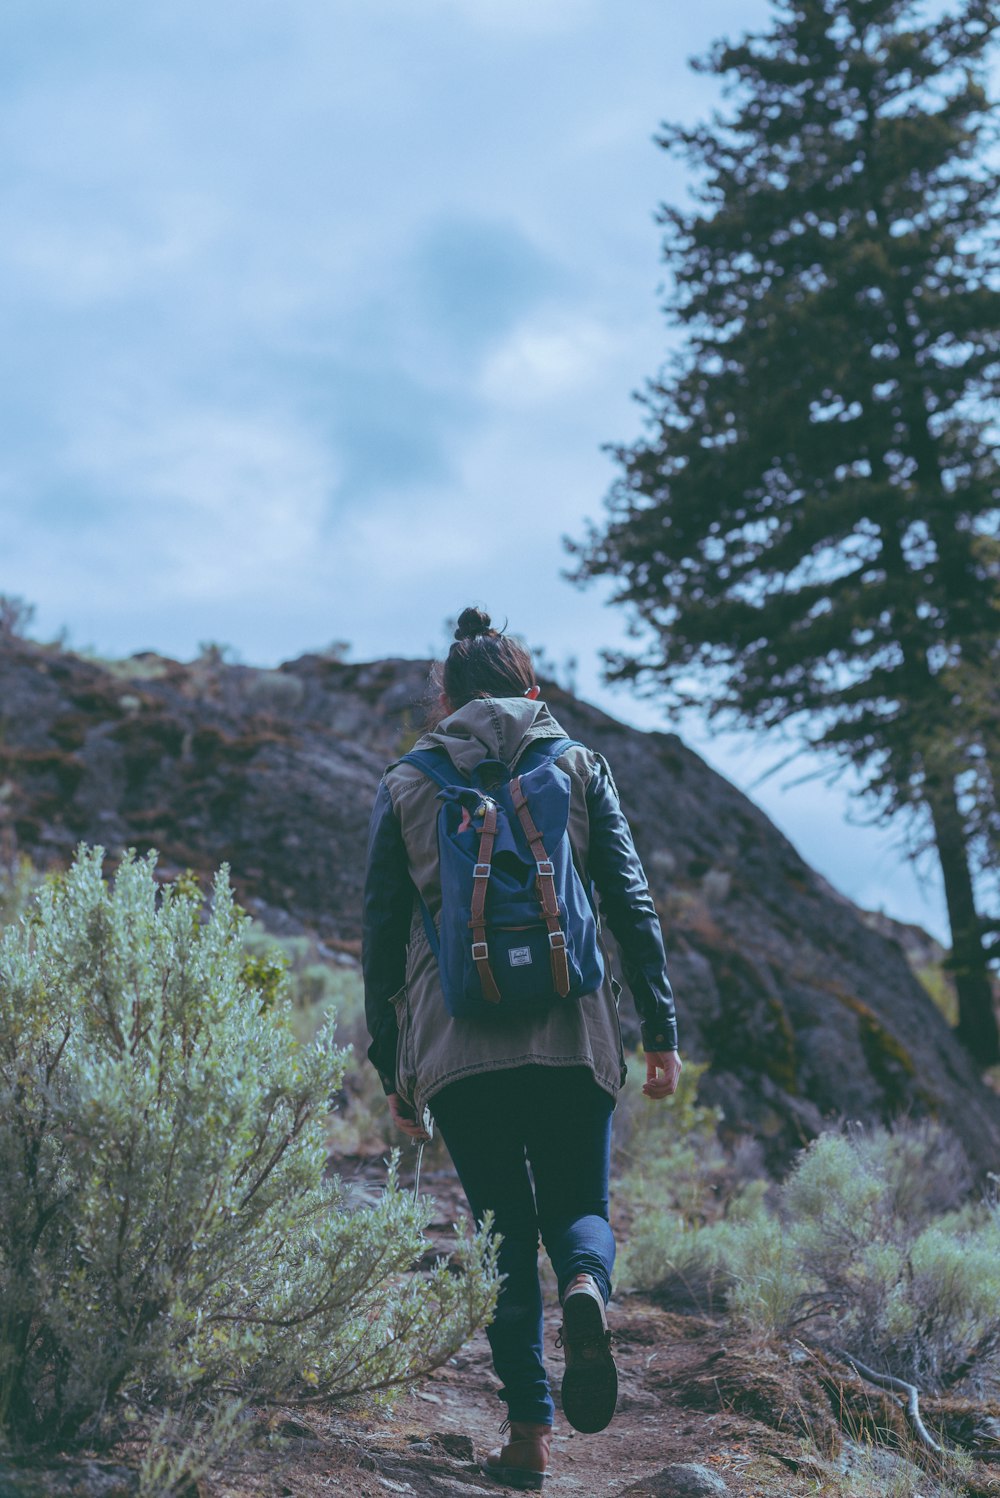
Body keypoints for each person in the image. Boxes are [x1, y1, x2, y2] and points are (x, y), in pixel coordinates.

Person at [363, 606, 681, 1491]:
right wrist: (660, 1030)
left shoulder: (406, 783)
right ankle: (586, 1288)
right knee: (579, 1204)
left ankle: (529, 1439)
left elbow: (381, 935)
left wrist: (397, 1067)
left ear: (444, 700)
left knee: (501, 1233)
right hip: (574, 1032)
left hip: (461, 1046)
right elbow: (630, 902)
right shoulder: (577, 762)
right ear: (531, 693)